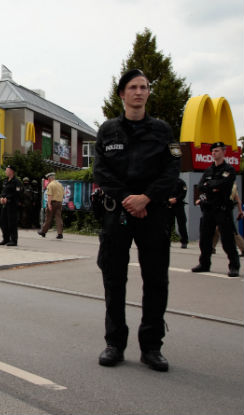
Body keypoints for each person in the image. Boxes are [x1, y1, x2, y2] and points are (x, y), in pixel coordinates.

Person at [93, 69, 180, 372]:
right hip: (117, 212)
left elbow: (171, 170)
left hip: (153, 212)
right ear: (122, 94)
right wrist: (130, 199)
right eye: (133, 87)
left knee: (156, 281)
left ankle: (152, 347)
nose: (140, 92)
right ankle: (114, 344)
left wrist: (147, 198)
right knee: (114, 280)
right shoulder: (108, 131)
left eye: (144, 87)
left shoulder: (162, 130)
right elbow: (101, 172)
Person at [192, 142, 240, 277]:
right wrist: (212, 187)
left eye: (217, 151)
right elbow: (201, 186)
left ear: (224, 152)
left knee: (227, 239)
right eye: (213, 151)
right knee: (205, 238)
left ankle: (234, 266)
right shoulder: (208, 170)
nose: (214, 153)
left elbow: (224, 184)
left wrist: (211, 185)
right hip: (208, 208)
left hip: (222, 209)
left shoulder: (229, 169)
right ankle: (204, 264)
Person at [212, 183, 244, 256]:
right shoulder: (233, 185)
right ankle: (211, 247)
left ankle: (243, 248)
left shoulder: (223, 183)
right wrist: (240, 211)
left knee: (231, 231)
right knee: (217, 228)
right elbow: (238, 200)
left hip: (222, 209)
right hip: (226, 209)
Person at [0, 165, 22, 246]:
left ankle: (14, 240)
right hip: (5, 204)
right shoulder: (5, 181)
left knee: (12, 223)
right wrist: (1, 197)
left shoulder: (16, 182)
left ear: (11, 171)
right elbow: (3, 191)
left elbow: (17, 193)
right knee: (3, 222)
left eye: (7, 170)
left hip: (12, 205)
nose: (5, 171)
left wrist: (7, 198)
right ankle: (6, 239)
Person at [38, 172, 64, 239]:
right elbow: (63, 194)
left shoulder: (50, 185)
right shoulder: (60, 184)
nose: (47, 180)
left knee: (48, 218)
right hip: (59, 202)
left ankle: (43, 232)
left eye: (47, 179)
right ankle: (60, 233)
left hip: (53, 202)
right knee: (58, 218)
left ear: (49, 178)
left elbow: (50, 195)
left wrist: (49, 204)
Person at [167, 177, 189, 248]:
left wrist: (176, 199)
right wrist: (168, 200)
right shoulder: (167, 182)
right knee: (168, 225)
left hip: (179, 206)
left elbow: (183, 193)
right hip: (169, 206)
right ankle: (167, 241)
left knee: (181, 224)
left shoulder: (181, 182)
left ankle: (184, 242)